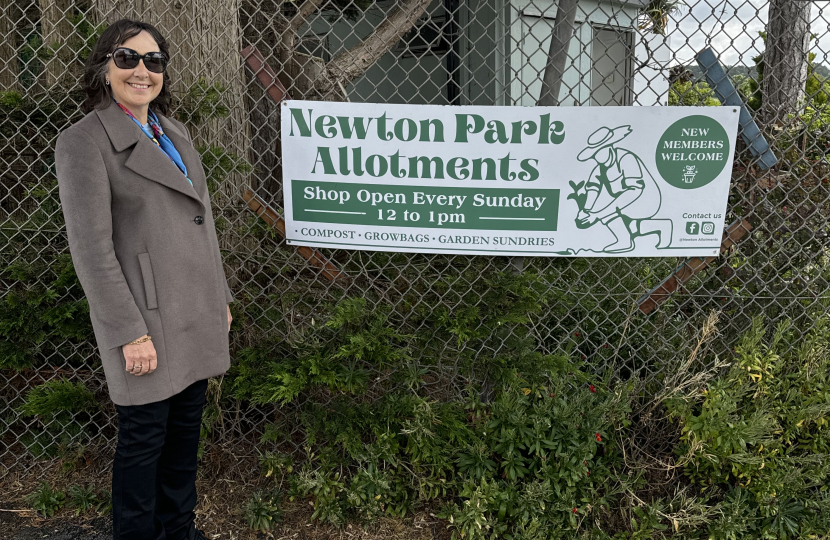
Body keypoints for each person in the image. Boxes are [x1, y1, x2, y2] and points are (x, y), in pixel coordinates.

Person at [54, 19, 234, 540]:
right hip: (145, 321)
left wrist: (219, 297)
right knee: (144, 440)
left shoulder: (173, 131)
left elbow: (204, 223)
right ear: (104, 67)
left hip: (193, 311)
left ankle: (177, 531)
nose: (142, 70)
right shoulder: (84, 142)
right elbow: (92, 250)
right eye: (127, 58)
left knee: (183, 438)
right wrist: (128, 331)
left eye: (153, 60)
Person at [575, 125, 673, 253]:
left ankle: (624, 241)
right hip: (626, 200)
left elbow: (635, 190)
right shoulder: (600, 167)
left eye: (598, 152)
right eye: (594, 154)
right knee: (627, 224)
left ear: (609, 147)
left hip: (646, 198)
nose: (596, 157)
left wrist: (598, 214)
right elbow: (593, 188)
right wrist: (586, 210)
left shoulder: (626, 158)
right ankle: (661, 226)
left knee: (605, 211)